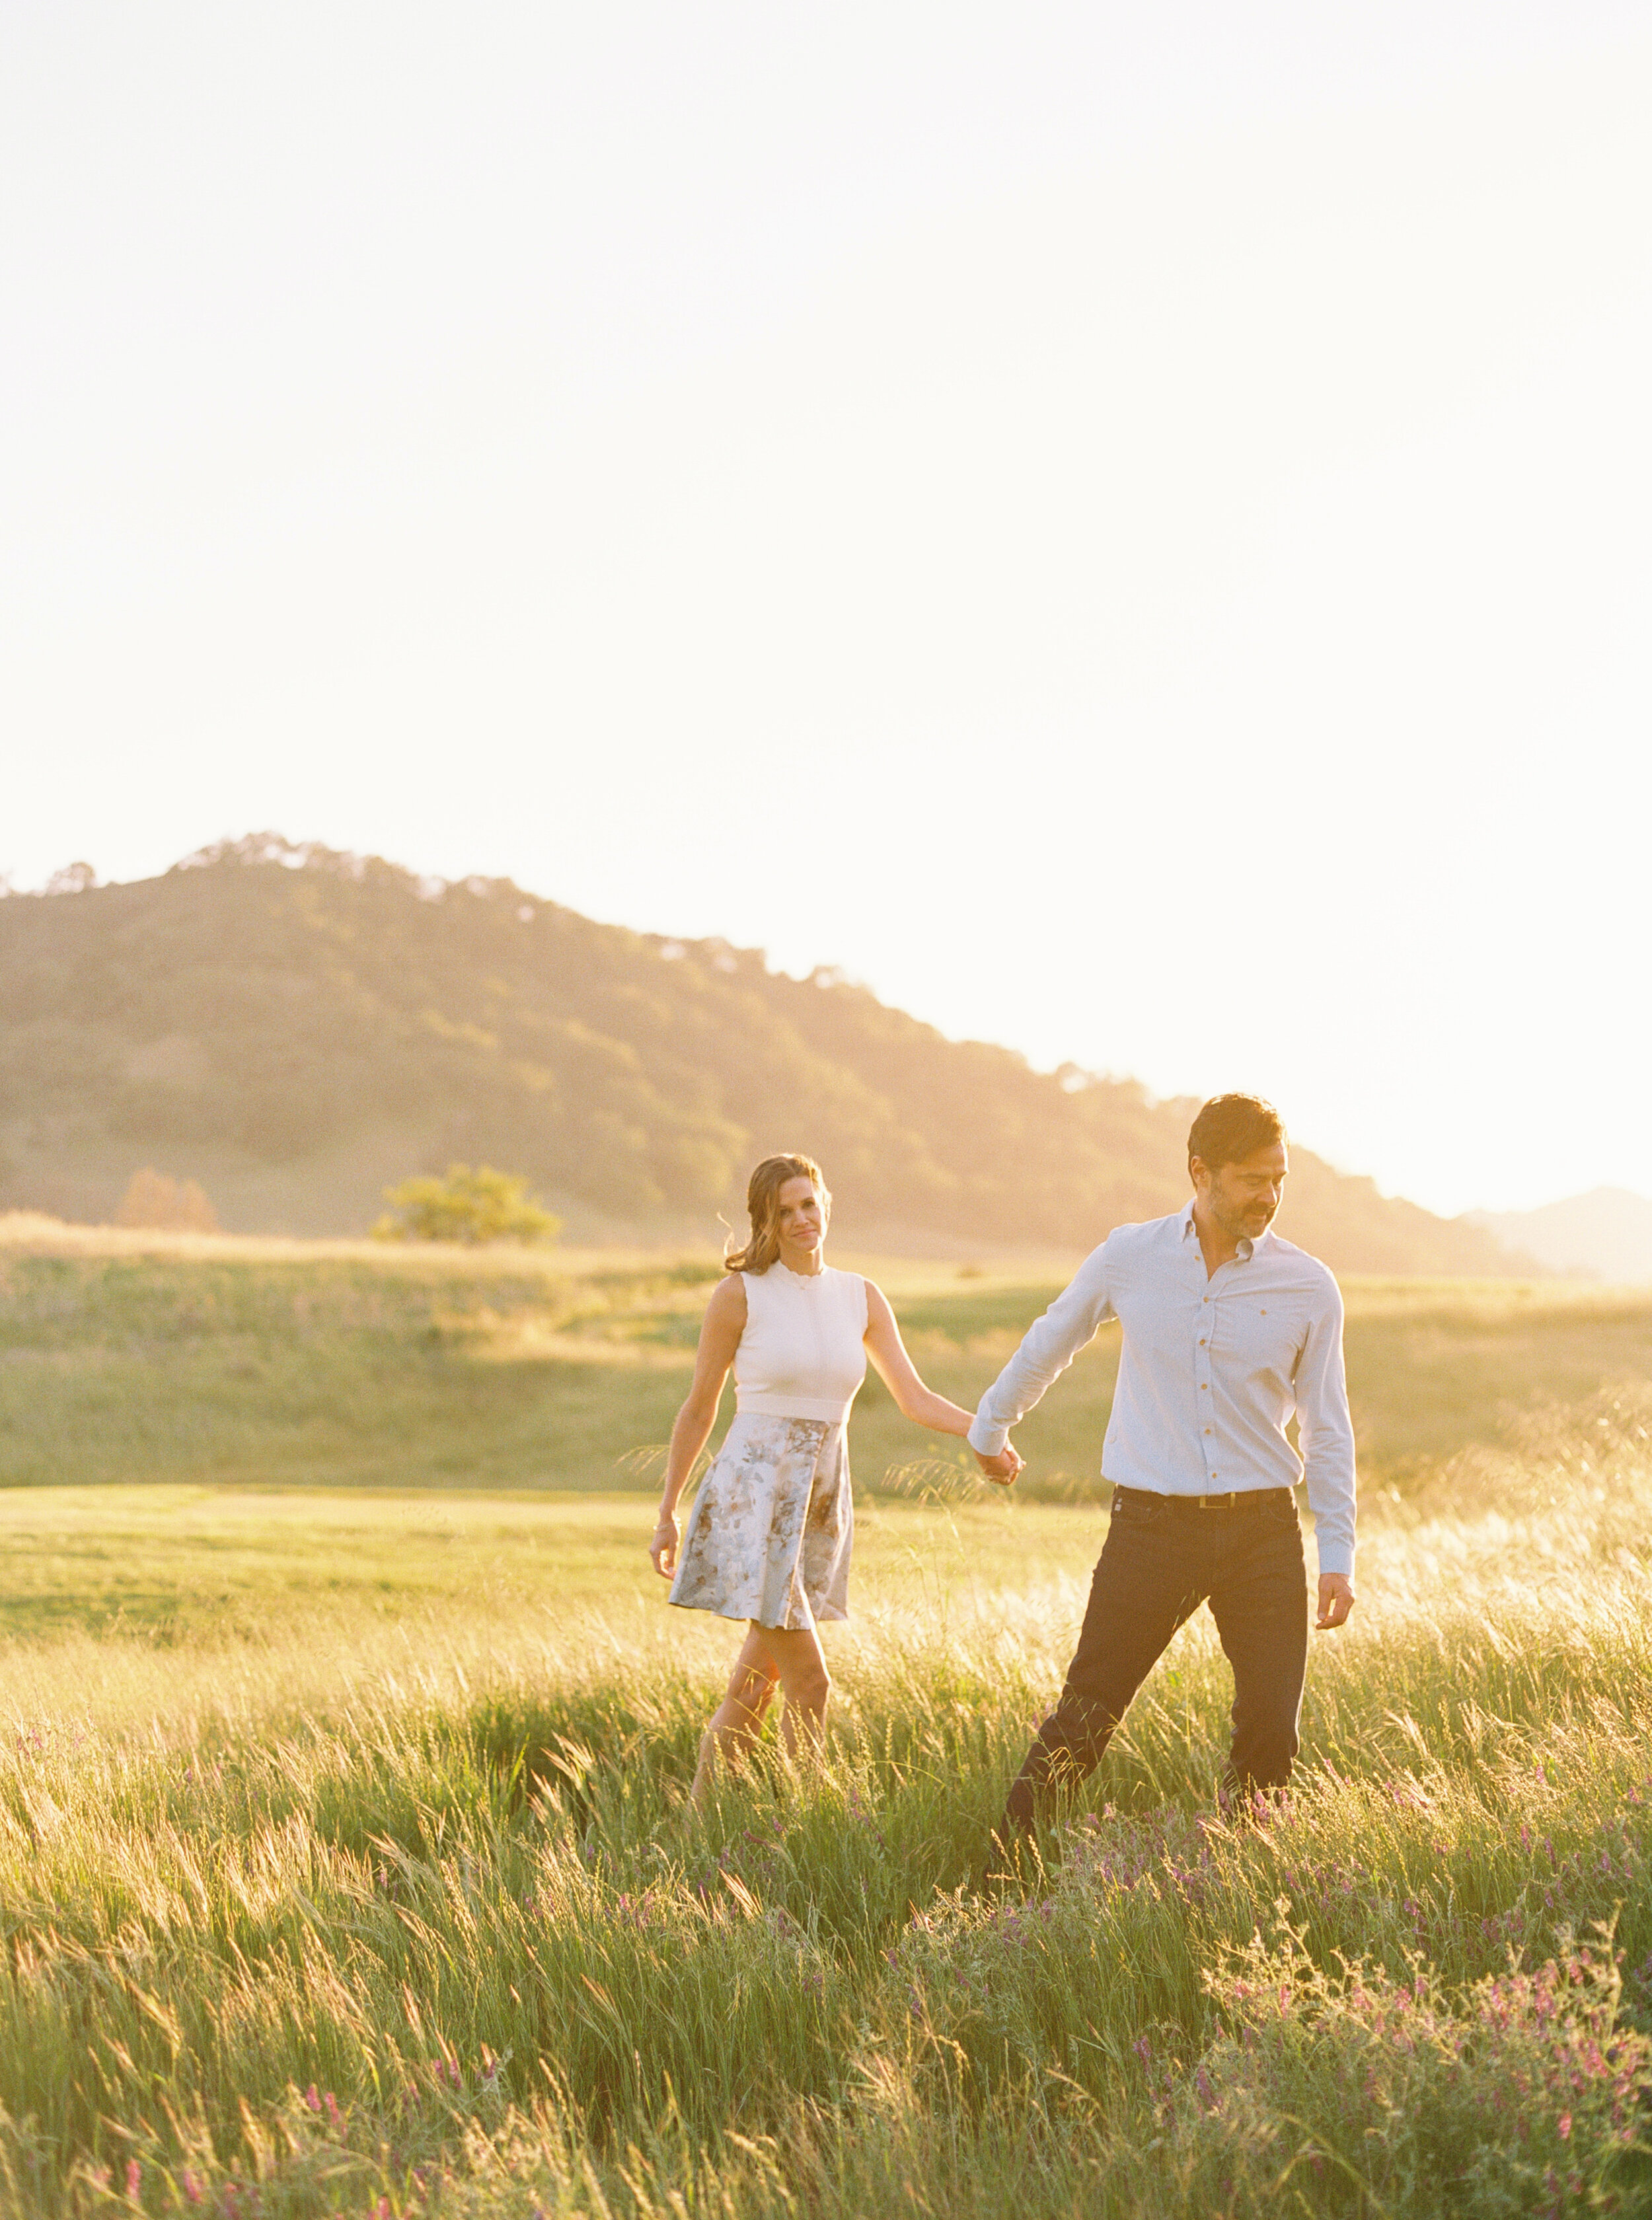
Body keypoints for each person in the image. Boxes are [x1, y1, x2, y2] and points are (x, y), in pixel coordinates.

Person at [969, 1094, 1357, 1841]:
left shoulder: (1309, 1286)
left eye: (1279, 1179)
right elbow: (1054, 1338)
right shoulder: (1130, 1255)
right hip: (1150, 1525)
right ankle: (1005, 1873)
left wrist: (1337, 1550)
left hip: (1261, 1532)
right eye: (1251, 1179)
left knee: (1271, 1727)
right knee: (1087, 1711)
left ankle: (1246, 1879)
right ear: (1199, 1173)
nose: (1268, 1197)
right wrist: (991, 1426)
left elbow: (1327, 1426)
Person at [650, 1152, 1022, 1804]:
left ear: (826, 1203)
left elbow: (915, 1397)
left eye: (808, 1205)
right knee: (809, 1684)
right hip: (753, 1499)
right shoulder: (740, 1296)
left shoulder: (861, 1296)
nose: (800, 1220)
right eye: (784, 1211)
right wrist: (667, 1512)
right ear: (765, 1220)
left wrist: (985, 1434)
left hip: (819, 1501)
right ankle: (803, 1829)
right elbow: (699, 1407)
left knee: (756, 1683)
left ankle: (701, 1832)